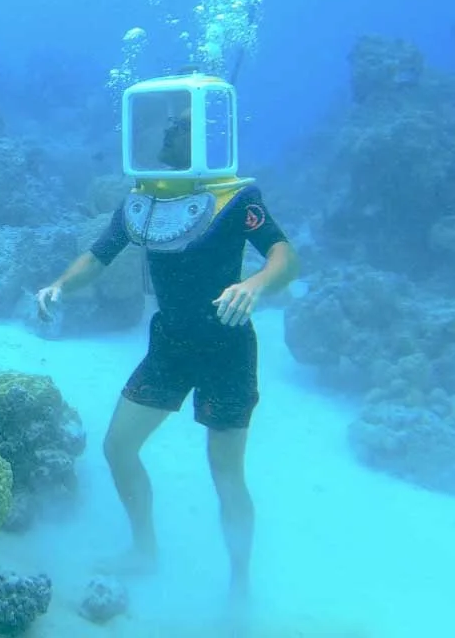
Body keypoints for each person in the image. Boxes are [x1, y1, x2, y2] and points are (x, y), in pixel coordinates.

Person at [36, 75, 298, 602]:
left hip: (227, 350)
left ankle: (240, 584)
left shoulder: (235, 198)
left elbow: (284, 255)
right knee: (118, 447)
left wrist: (253, 285)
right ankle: (144, 551)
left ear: (201, 138)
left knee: (225, 473)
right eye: (167, 125)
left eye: (179, 128)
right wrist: (60, 285)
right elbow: (99, 255)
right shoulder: (144, 199)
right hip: (170, 346)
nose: (165, 134)